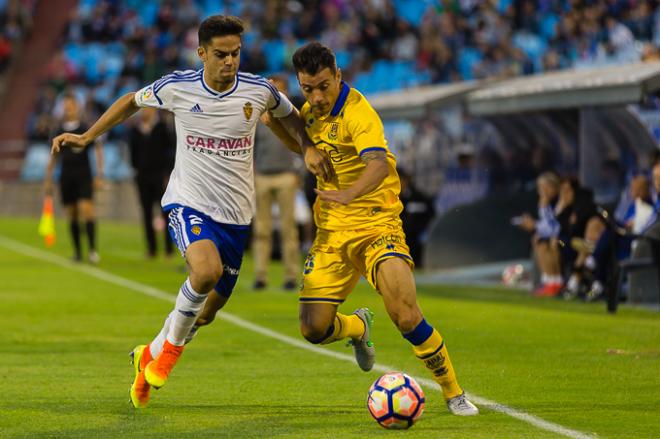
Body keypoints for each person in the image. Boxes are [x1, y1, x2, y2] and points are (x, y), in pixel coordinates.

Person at [50, 16, 333, 409]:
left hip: (236, 217)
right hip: (189, 202)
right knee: (204, 271)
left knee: (205, 314)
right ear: (202, 53)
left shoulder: (259, 91)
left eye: (235, 53)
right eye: (220, 54)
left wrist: (308, 148)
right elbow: (130, 101)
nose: (230, 61)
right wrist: (87, 136)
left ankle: (147, 354)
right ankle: (165, 361)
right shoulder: (178, 86)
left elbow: (292, 117)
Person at [247, 42, 478, 415]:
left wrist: (348, 193)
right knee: (312, 329)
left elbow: (378, 166)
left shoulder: (359, 113)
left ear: (338, 76)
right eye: (308, 89)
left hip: (376, 223)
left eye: (324, 85)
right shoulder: (310, 112)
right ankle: (357, 328)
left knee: (404, 313)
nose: (317, 97)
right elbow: (302, 139)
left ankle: (454, 392)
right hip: (332, 233)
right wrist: (286, 132)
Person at [252, 75, 302, 291]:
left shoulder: (292, 116)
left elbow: (304, 144)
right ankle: (260, 276)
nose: (275, 94)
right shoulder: (259, 116)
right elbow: (250, 147)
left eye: (278, 90)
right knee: (261, 229)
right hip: (262, 175)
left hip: (285, 175)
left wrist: (298, 173)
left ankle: (291, 275)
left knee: (288, 228)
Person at [44, 93, 103, 264]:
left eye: (71, 105)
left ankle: (92, 250)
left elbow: (98, 149)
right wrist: (48, 178)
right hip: (66, 176)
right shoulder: (58, 131)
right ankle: (77, 252)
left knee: (87, 210)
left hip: (84, 174)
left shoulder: (85, 128)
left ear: (77, 107)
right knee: (72, 214)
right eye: (66, 106)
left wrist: (99, 174)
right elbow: (53, 156)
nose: (68, 109)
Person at [128, 106, 175, 258]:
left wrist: (167, 174)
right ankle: (151, 248)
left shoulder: (162, 128)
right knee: (146, 212)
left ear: (154, 111)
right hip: (143, 176)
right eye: (143, 110)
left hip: (159, 175)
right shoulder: (135, 131)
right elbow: (133, 154)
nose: (145, 112)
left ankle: (169, 248)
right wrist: (137, 169)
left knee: (166, 212)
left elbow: (170, 151)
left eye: (148, 110)